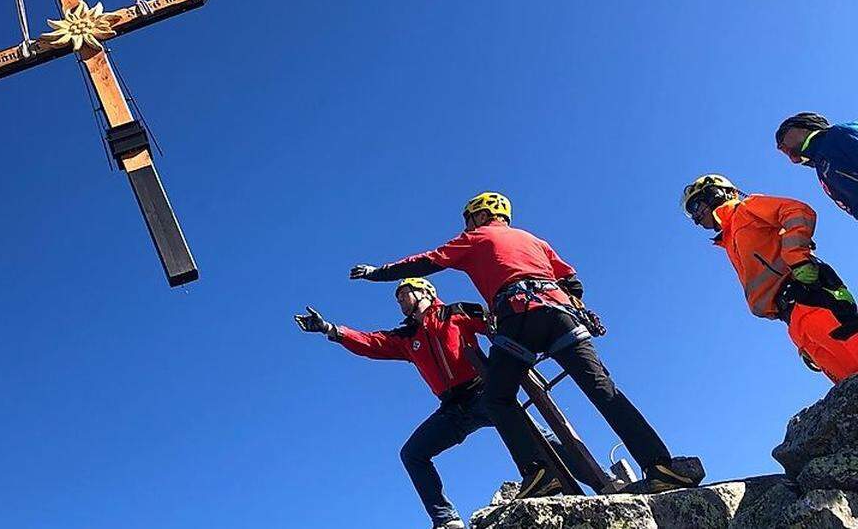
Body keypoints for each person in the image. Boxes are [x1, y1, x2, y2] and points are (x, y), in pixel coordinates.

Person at [350, 192, 699, 498]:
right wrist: (577, 306)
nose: (469, 227)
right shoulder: (533, 239)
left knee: (498, 399)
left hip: (517, 320)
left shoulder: (475, 239)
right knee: (602, 389)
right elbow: (571, 280)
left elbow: (424, 261)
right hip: (560, 315)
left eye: (471, 220)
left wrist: (376, 272)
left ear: (483, 216)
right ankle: (659, 466)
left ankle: (539, 476)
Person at [294, 278, 595, 528]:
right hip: (452, 408)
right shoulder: (406, 335)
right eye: (397, 298)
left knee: (539, 437)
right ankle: (446, 520)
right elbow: (371, 343)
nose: (399, 301)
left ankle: (594, 479)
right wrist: (331, 330)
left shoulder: (457, 312)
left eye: (404, 293)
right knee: (413, 453)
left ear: (426, 292)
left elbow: (497, 325)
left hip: (484, 392)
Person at [681, 174, 858, 383]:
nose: (696, 217)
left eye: (696, 205)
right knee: (846, 382)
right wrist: (801, 341)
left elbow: (797, 210)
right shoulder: (728, 241)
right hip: (793, 318)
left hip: (810, 295)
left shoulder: (746, 209)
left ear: (716, 193)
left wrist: (797, 257)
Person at [774, 112, 858, 221]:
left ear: (805, 127)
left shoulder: (837, 134)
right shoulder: (822, 169)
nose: (782, 147)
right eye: (781, 149)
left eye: (783, 135)